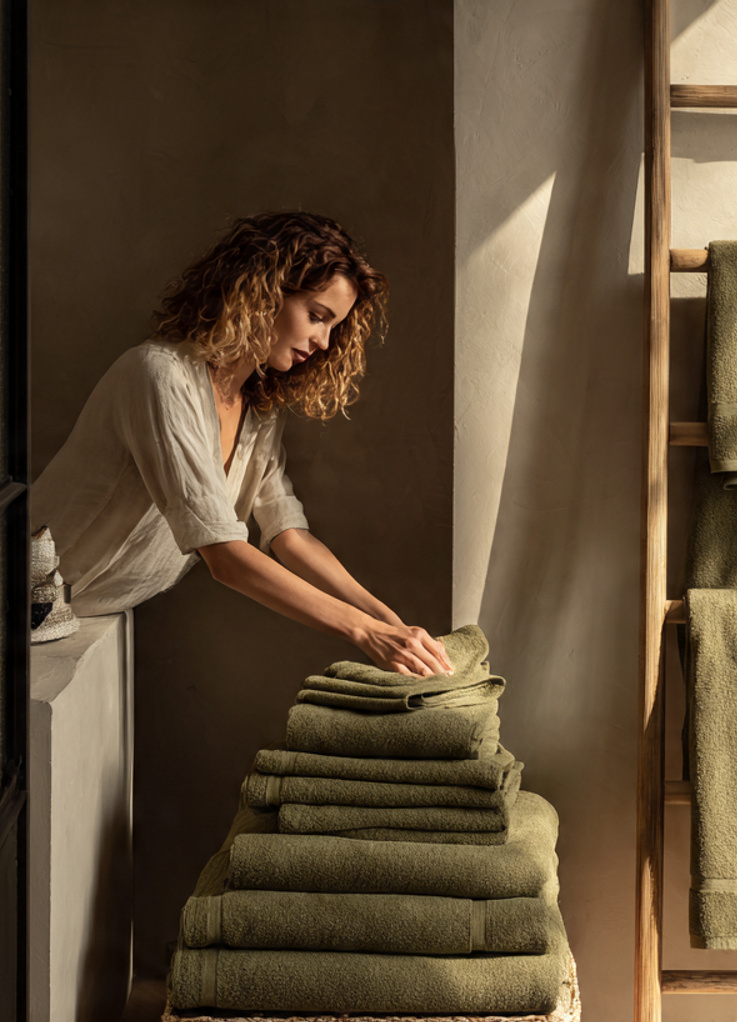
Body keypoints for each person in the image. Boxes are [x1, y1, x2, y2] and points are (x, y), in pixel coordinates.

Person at [30, 211, 452, 677]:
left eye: (334, 326)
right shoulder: (158, 375)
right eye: (316, 316)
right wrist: (365, 633)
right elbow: (225, 556)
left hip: (82, 616)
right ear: (263, 291)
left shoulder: (257, 407)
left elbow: (288, 535)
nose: (324, 341)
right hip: (6, 606)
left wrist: (390, 621)